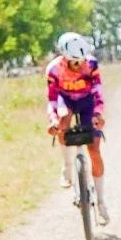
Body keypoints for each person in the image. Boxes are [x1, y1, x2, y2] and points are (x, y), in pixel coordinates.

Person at [46, 31, 109, 225]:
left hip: (87, 101)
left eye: (81, 60)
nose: (79, 65)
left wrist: (98, 114)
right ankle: (67, 167)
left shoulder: (91, 64)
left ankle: (100, 201)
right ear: (64, 58)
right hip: (66, 100)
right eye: (74, 62)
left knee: (94, 149)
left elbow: (98, 91)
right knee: (63, 121)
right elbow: (51, 100)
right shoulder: (54, 69)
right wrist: (53, 120)